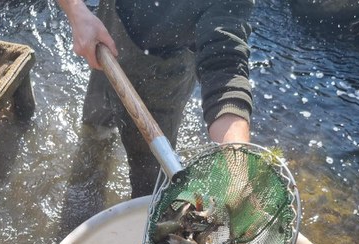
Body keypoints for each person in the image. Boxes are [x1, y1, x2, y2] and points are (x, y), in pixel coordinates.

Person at [56, 0, 254, 198]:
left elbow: (224, 67)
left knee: (151, 178)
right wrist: (76, 11)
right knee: (95, 126)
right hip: (105, 34)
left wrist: (236, 163)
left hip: (165, 71)